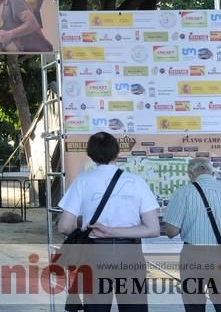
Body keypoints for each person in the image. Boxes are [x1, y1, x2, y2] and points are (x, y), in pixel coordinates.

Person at [57, 131, 160, 312]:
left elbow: (64, 226)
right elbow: (153, 229)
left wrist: (86, 229)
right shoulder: (136, 182)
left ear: (90, 154)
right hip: (131, 254)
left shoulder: (82, 181)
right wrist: (115, 231)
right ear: (117, 152)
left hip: (94, 255)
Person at [164, 157, 221, 312]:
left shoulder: (184, 193)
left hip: (193, 254)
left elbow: (171, 232)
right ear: (212, 172)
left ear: (190, 173)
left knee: (194, 302)